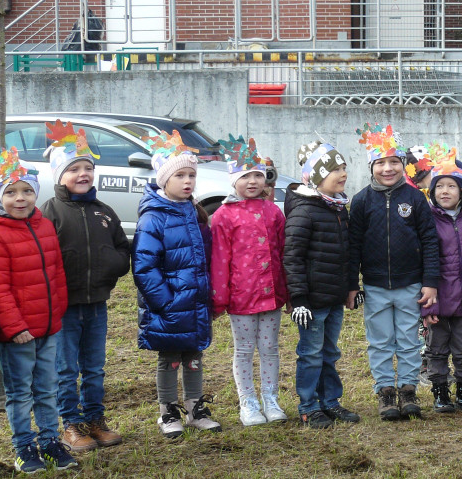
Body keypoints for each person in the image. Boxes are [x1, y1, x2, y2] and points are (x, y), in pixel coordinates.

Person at [41, 120, 130, 453]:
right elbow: (41, 257)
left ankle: (95, 420)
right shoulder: (49, 213)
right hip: (64, 306)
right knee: (67, 369)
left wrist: (113, 266)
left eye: (88, 168)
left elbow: (123, 248)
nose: (83, 174)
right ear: (59, 175)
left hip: (97, 304)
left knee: (94, 368)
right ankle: (71, 424)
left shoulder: (103, 212)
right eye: (74, 169)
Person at [0, 148, 76, 474]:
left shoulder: (43, 227)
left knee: (46, 389)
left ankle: (51, 442)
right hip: (18, 334)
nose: (20, 198)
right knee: (20, 393)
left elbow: (55, 273)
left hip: (49, 327)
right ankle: (24, 447)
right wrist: (14, 327)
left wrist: (58, 314)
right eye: (10, 192)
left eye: (27, 191)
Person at [133, 131, 222, 438]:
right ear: (164, 179)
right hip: (169, 306)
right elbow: (145, 267)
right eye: (180, 175)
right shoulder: (153, 217)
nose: (188, 181)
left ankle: (196, 408)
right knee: (169, 359)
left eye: (192, 175)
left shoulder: (194, 212)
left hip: (195, 303)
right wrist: (166, 304)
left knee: (194, 356)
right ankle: (168, 412)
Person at [348, 124, 439, 421]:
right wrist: (352, 284)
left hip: (410, 285)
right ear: (372, 166)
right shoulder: (361, 201)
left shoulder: (415, 200)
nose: (387, 169)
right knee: (380, 340)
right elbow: (353, 246)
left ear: (403, 164)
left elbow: (429, 241)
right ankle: (386, 390)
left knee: (409, 340)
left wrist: (430, 282)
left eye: (394, 162)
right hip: (374, 286)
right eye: (380, 163)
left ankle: (409, 389)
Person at [210, 136, 289, 427]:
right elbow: (219, 260)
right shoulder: (223, 216)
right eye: (246, 176)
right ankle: (248, 402)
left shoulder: (273, 212)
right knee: (244, 349)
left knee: (270, 347)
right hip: (242, 297)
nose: (253, 181)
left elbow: (282, 252)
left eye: (258, 174)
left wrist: (287, 290)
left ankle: (270, 398)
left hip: (272, 295)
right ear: (234, 180)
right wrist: (220, 297)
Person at [284, 141, 361, 428]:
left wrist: (351, 286)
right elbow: (292, 257)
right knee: (311, 353)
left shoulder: (338, 207)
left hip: (334, 297)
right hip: (312, 301)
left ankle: (330, 402)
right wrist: (299, 299)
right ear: (315, 176)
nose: (342, 174)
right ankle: (308, 406)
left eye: (343, 168)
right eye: (334, 169)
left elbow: (348, 252)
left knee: (330, 352)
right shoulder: (304, 211)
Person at [420, 146, 462, 412]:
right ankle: (440, 392)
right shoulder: (427, 221)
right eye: (439, 186)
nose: (445, 191)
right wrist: (427, 306)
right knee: (436, 349)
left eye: (451, 186)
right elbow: (422, 264)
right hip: (437, 302)